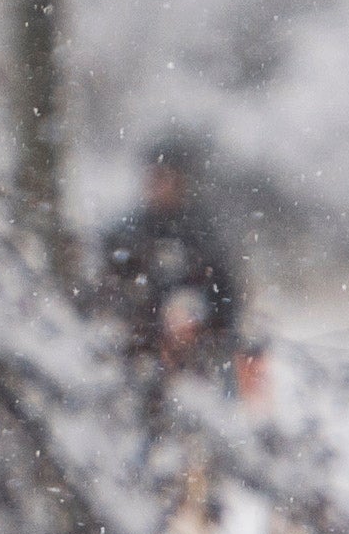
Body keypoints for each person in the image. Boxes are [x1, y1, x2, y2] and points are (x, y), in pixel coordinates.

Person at [96, 138, 250, 382]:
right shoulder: (127, 235)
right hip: (142, 350)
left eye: (163, 177)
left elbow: (225, 294)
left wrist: (195, 319)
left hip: (196, 356)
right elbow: (110, 290)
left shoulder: (202, 234)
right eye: (152, 178)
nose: (156, 186)